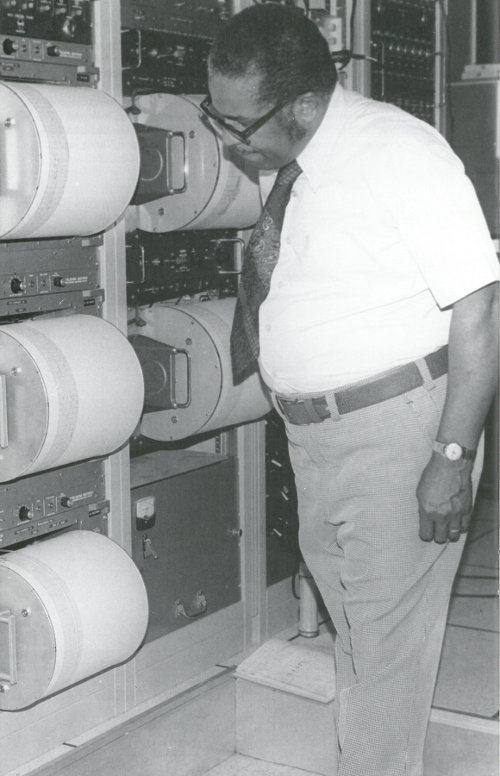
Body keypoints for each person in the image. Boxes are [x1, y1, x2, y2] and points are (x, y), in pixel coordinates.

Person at [203, 5, 499, 776]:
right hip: (318, 438)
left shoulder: (399, 152)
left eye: (238, 124)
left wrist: (453, 454)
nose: (230, 141)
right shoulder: (293, 165)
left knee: (386, 653)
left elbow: (480, 307)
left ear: (301, 105)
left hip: (398, 433)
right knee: (362, 642)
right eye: (217, 116)